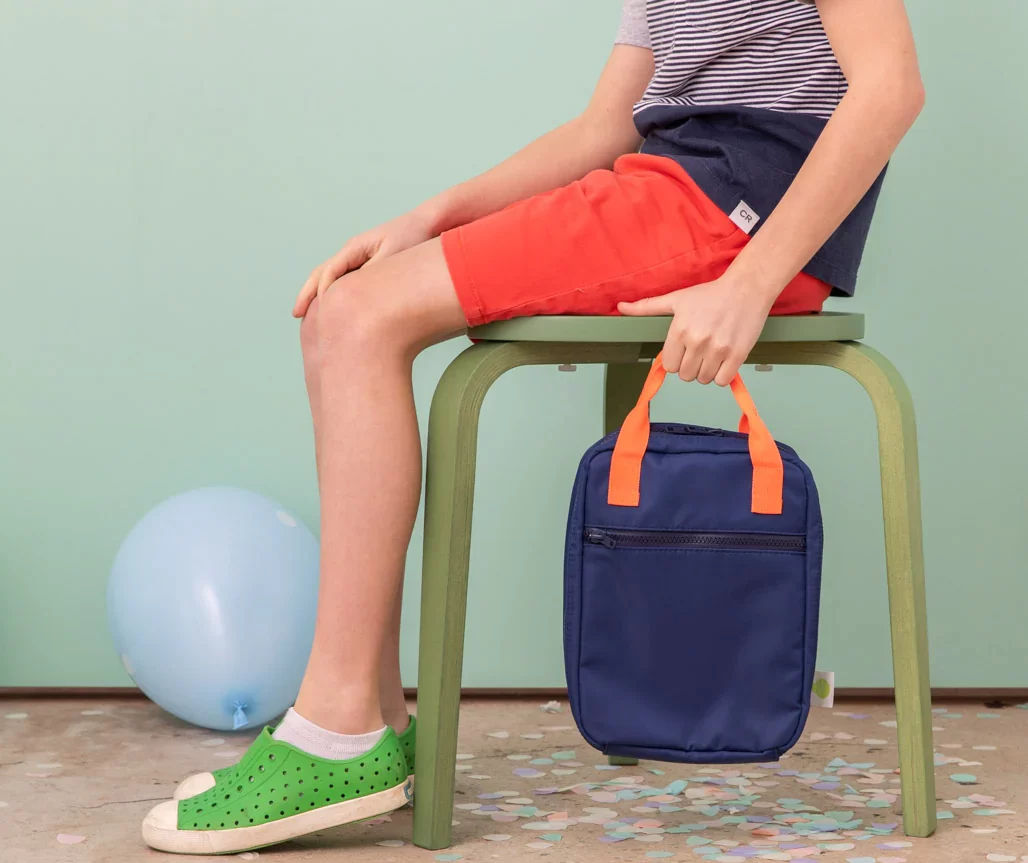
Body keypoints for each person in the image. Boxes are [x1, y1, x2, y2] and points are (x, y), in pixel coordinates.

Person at [142, 0, 924, 853]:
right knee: (342, 311)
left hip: (734, 205)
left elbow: (889, 87)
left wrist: (751, 283)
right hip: (668, 182)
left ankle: (334, 728)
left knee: (356, 321)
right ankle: (368, 723)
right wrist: (434, 219)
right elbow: (603, 127)